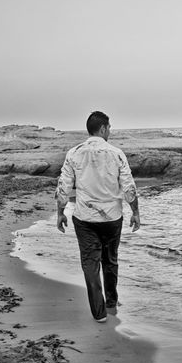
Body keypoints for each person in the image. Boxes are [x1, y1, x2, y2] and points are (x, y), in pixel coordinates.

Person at [55, 111, 140, 322]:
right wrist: (135, 212)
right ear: (102, 128)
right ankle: (111, 301)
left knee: (90, 263)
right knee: (110, 260)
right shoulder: (116, 153)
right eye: (109, 127)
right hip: (112, 218)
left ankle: (99, 313)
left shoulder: (74, 153)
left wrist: (60, 213)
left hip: (85, 218)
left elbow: (63, 186)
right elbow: (129, 187)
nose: (110, 131)